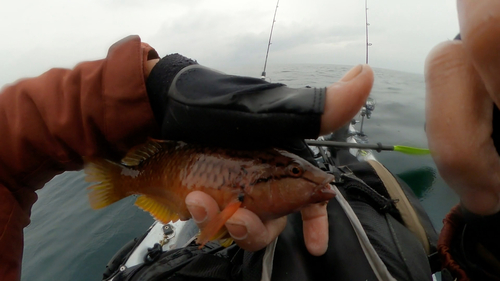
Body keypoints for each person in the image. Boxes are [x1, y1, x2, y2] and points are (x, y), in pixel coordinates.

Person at [0, 0, 498, 280]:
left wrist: (152, 89)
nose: (321, 181)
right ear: (267, 179)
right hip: (153, 174)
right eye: (300, 175)